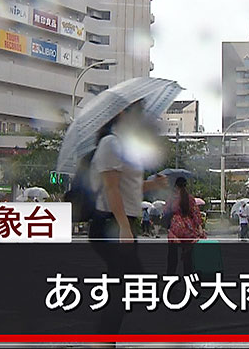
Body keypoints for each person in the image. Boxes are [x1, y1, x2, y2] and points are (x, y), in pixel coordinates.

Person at [87, 103, 167, 334]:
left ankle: (106, 334)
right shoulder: (110, 144)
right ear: (122, 114)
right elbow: (111, 188)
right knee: (127, 285)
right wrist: (123, 227)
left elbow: (128, 189)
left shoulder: (124, 146)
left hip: (120, 223)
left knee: (125, 286)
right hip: (109, 224)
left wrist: (153, 184)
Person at [166, 177, 205, 275]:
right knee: (188, 257)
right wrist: (200, 228)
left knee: (172, 256)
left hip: (175, 228)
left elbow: (166, 212)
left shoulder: (172, 198)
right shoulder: (190, 198)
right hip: (188, 228)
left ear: (176, 186)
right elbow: (196, 214)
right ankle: (189, 278)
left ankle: (170, 277)